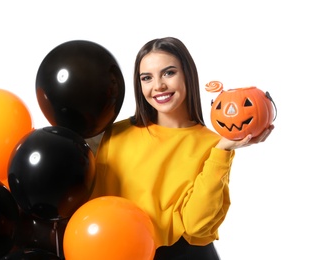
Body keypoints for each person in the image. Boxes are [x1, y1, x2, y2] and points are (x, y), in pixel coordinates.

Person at [89, 37, 274, 260]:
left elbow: (196, 227)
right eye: (147, 78)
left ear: (187, 74)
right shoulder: (115, 134)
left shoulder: (213, 146)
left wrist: (223, 151)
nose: (158, 86)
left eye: (168, 73)